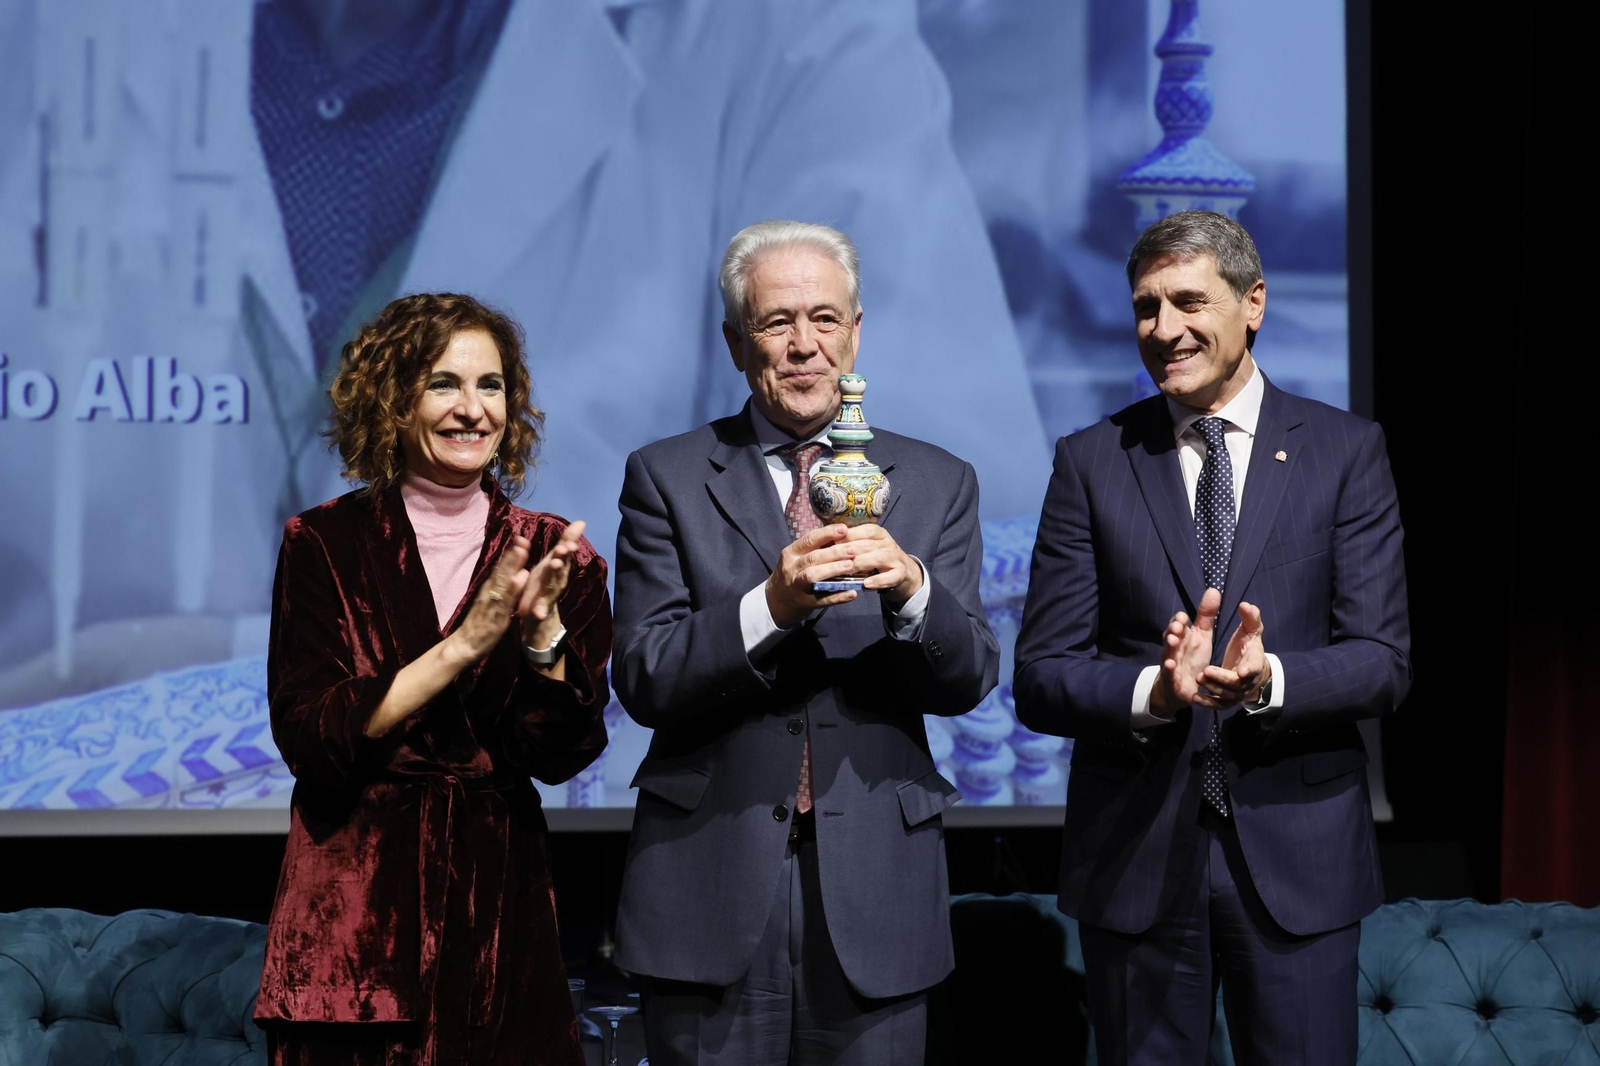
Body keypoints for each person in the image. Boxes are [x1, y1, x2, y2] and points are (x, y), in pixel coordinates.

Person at [0, 0, 1046, 713]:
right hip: (73, 909)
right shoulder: (43, 36)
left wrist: (238, 679)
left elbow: (952, 577)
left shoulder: (772, 36)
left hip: (591, 895)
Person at [1013, 211, 1411, 1064]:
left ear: (1253, 303)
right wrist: (1153, 694)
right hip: (1137, 866)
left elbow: (1383, 662)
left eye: (1188, 302)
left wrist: (1269, 681)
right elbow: (1042, 674)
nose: (1164, 330)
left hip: (1298, 865)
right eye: (1146, 308)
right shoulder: (1091, 460)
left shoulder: (1344, 451)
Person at [610, 221, 999, 1066]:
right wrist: (771, 606)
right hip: (707, 878)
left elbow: (967, 675)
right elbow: (643, 673)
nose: (803, 347)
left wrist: (912, 591)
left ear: (856, 331)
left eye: (825, 320)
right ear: (734, 343)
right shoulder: (667, 475)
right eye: (777, 323)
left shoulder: (937, 481)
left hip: (878, 888)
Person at [253, 293, 611, 1066]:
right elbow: (312, 737)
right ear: (393, 399)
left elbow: (564, 754)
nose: (472, 409)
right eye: (443, 383)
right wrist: (462, 647)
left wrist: (544, 639)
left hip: (501, 911)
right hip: (353, 917)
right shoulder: (322, 543)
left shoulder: (560, 556)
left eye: (491, 386)